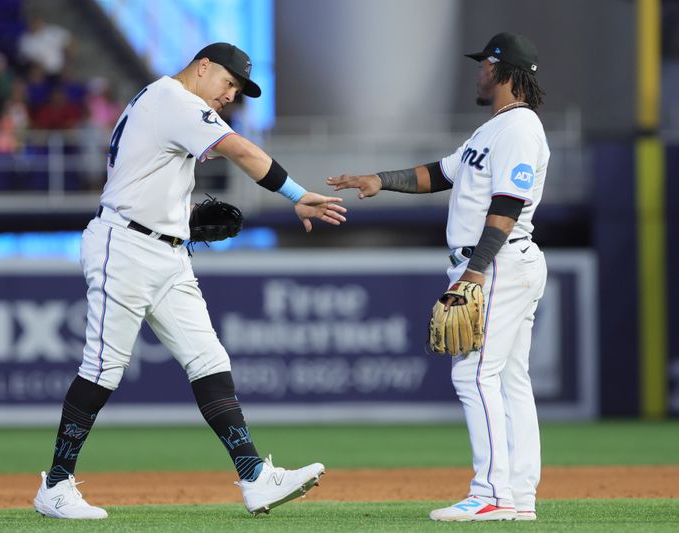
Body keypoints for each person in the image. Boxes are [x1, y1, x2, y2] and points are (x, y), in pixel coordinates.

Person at [33, 42, 346, 520]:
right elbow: (240, 148)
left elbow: (147, 175)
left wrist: (182, 217)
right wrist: (297, 195)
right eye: (229, 83)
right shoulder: (174, 101)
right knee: (103, 368)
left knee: (208, 359)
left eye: (238, 89)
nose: (231, 95)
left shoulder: (165, 104)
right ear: (203, 67)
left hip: (166, 250)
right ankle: (55, 486)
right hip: (127, 246)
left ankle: (254, 476)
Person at [328, 32, 548, 522]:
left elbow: (508, 205)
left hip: (497, 261)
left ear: (502, 68)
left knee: (474, 372)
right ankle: (517, 495)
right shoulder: (494, 128)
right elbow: (441, 173)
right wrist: (379, 180)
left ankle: (492, 493)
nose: (478, 72)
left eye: (484, 64)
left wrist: (473, 273)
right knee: (509, 378)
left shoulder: (518, 128)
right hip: (502, 261)